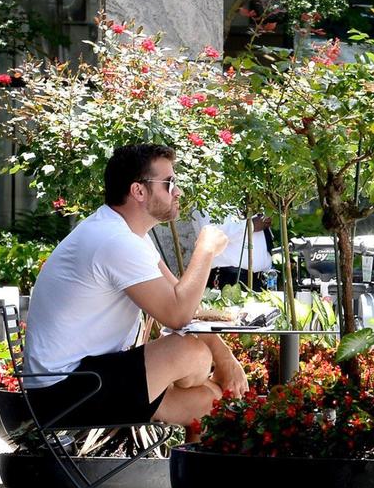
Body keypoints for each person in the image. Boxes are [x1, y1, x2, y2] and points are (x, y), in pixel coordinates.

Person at [23, 143, 247, 437]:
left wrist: (225, 356)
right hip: (64, 391)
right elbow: (178, 315)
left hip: (88, 378)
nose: (177, 191)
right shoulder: (114, 240)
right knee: (190, 352)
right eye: (170, 183)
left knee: (209, 402)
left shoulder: (129, 235)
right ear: (139, 191)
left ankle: (188, 482)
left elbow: (180, 297)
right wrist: (204, 252)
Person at [193, 209, 275, 290]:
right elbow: (211, 234)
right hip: (230, 278)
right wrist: (250, 225)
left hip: (261, 279)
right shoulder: (206, 198)